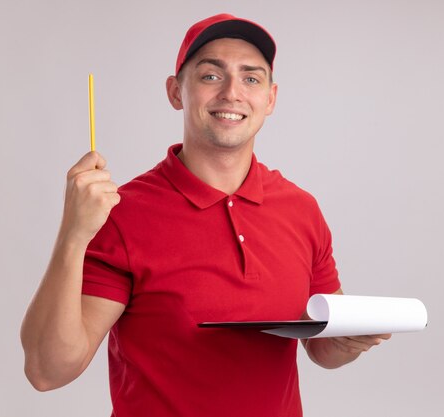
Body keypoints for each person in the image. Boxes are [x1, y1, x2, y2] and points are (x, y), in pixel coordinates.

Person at [20, 13, 390, 417]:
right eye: (211, 76)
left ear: (270, 98)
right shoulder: (124, 214)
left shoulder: (301, 209)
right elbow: (48, 370)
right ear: (176, 92)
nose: (232, 93)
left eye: (251, 78)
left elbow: (322, 348)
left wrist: (348, 342)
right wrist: (73, 236)